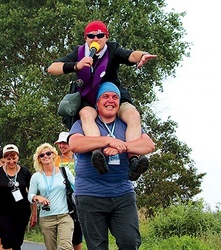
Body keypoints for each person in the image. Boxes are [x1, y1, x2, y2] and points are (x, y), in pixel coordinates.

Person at [47, 20, 157, 180]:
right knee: (85, 114)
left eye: (100, 35)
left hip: (112, 96)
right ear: (85, 38)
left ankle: (133, 159)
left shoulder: (112, 49)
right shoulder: (79, 52)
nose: (96, 39)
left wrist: (142, 55)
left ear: (107, 36)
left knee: (133, 115)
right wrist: (77, 66)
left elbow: (130, 55)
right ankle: (97, 154)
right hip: (90, 98)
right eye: (91, 36)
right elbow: (52, 68)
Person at [68, 82, 155, 249]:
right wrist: (107, 140)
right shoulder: (84, 123)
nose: (110, 100)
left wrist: (122, 146)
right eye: (105, 97)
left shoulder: (127, 125)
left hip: (122, 193)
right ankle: (97, 155)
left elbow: (149, 145)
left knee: (130, 243)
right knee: (98, 246)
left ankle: (132, 162)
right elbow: (75, 144)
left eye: (115, 97)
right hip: (90, 194)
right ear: (97, 103)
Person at [0, 144, 37, 250]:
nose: (11, 161)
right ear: (4, 159)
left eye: (14, 158)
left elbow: (32, 194)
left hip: (21, 211)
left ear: (18, 157)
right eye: (8, 158)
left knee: (17, 241)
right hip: (3, 212)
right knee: (6, 238)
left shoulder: (25, 172)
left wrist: (34, 213)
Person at [28, 143, 74, 250]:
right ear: (39, 159)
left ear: (53, 155)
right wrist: (38, 197)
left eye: (48, 153)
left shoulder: (64, 171)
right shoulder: (36, 176)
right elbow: (30, 195)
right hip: (47, 217)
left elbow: (77, 185)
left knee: (66, 247)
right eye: (42, 155)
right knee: (51, 248)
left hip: (65, 215)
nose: (46, 156)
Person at [54, 132, 82, 250]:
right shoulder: (55, 160)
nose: (62, 146)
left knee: (77, 235)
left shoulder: (78, 158)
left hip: (77, 198)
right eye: (60, 143)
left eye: (64, 143)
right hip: (62, 199)